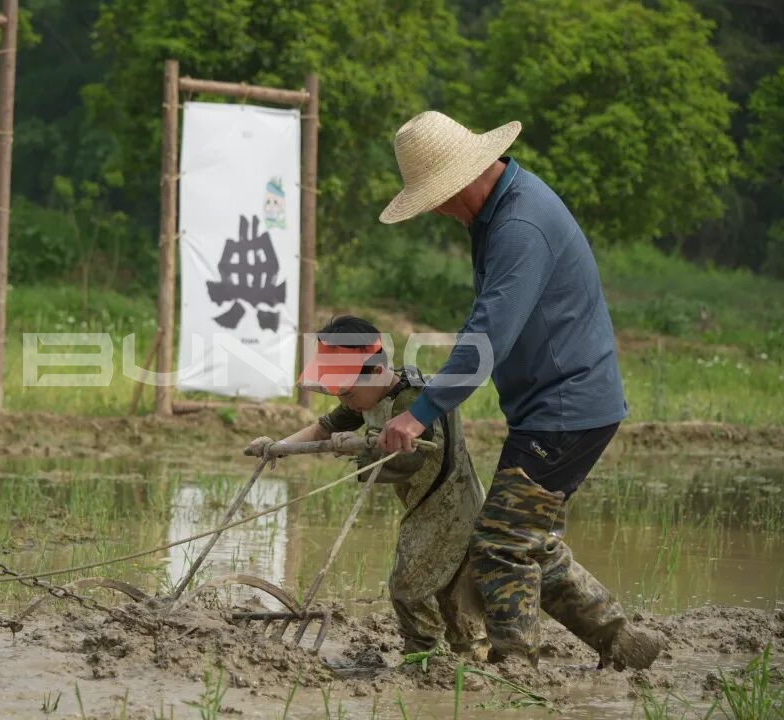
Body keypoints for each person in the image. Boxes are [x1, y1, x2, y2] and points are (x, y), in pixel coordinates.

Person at [375, 111, 663, 670]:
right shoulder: (500, 213)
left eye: (437, 197)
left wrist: (422, 412)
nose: (437, 210)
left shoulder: (519, 226)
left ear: (466, 178)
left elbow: (488, 335)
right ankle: (625, 643)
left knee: (501, 544)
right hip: (559, 407)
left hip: (566, 410)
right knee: (527, 538)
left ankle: (514, 672)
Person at [247, 316, 489, 660]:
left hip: (452, 502)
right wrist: (277, 446)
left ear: (375, 372)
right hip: (421, 502)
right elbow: (322, 430)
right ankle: (460, 658)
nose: (344, 400)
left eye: (346, 391)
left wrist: (364, 444)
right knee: (447, 589)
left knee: (411, 584)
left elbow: (411, 458)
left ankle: (424, 659)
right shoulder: (362, 398)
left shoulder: (415, 400)